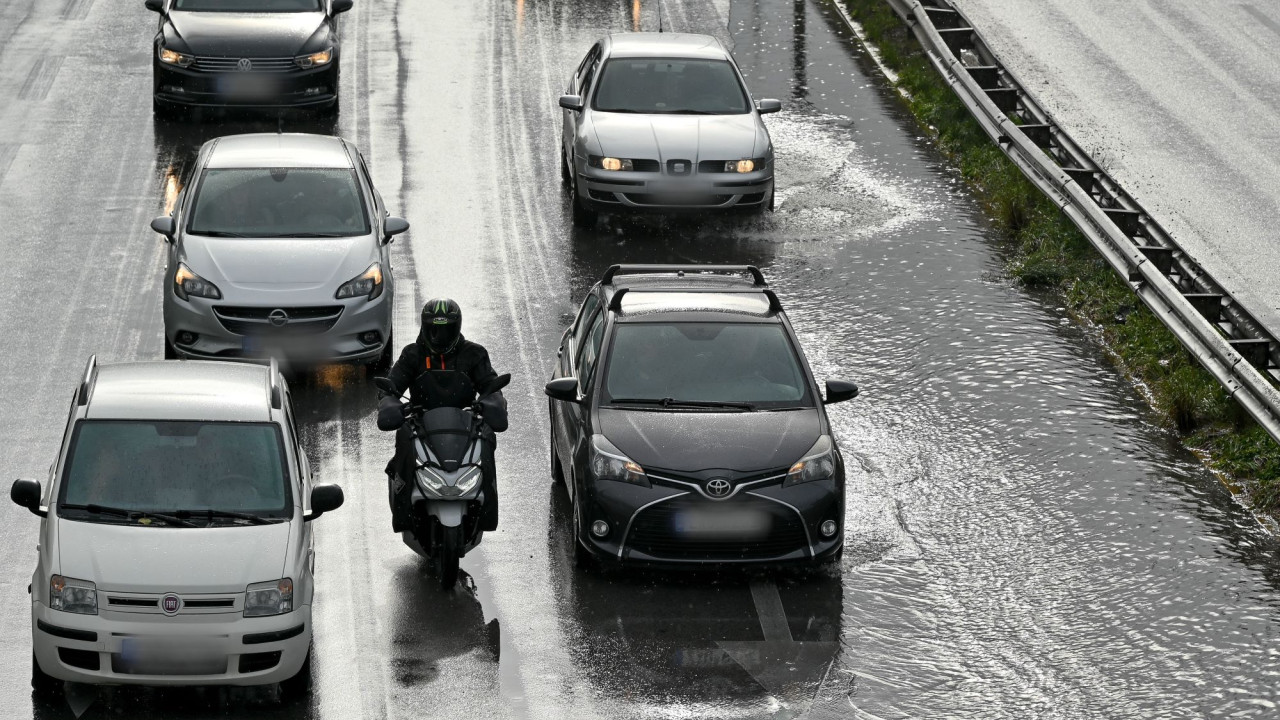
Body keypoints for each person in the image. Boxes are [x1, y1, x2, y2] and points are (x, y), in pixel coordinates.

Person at [377, 298, 507, 533]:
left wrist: (493, 402)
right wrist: (389, 403)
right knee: (403, 439)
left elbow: (490, 385)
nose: (440, 336)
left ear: (457, 328)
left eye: (446, 330)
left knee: (487, 437)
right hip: (421, 423)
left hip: (466, 423)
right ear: (424, 328)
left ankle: (486, 513)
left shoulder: (474, 354)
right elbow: (391, 385)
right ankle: (404, 513)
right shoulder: (412, 354)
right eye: (434, 330)